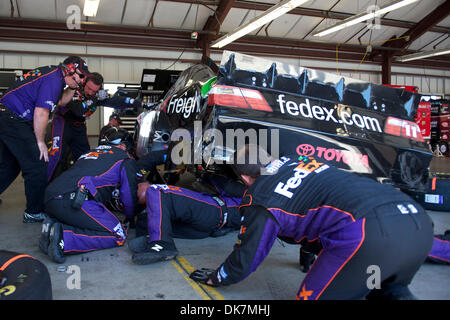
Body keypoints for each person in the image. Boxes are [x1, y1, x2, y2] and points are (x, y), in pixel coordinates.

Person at [189, 145, 434, 300]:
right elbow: (319, 210)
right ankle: (393, 291)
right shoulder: (299, 159)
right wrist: (308, 254)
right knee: (379, 284)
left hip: (368, 236)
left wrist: (217, 277)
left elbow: (248, 256)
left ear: (244, 177)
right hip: (417, 222)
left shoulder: (261, 198)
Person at [0, 56, 90, 223]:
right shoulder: (53, 80)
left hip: (7, 115)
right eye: (81, 75)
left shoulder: (54, 75)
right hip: (12, 117)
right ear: (70, 69)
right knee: (38, 162)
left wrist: (74, 87)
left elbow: (61, 101)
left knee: (9, 165)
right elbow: (41, 113)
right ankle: (33, 212)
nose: (83, 79)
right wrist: (40, 141)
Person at [39, 127, 138, 263]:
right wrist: (131, 217)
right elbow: (128, 194)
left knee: (91, 220)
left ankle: (51, 227)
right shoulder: (125, 158)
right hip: (75, 200)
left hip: (50, 198)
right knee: (118, 234)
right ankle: (64, 239)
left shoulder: (89, 153)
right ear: (123, 146)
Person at [129, 174, 246, 265]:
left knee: (157, 190)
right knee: (145, 219)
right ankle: (152, 241)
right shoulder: (257, 201)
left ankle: (162, 244)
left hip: (214, 209)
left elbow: (226, 185)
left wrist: (210, 174)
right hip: (208, 226)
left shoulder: (252, 189)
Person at [47, 72, 142, 182]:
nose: (90, 92)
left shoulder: (96, 95)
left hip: (79, 127)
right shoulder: (74, 89)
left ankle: (81, 186)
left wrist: (140, 103)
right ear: (84, 82)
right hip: (62, 123)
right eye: (89, 88)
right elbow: (79, 110)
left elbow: (117, 101)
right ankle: (46, 188)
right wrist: (96, 97)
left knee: (86, 157)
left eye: (94, 91)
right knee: (56, 157)